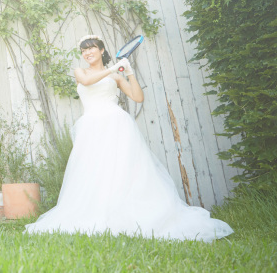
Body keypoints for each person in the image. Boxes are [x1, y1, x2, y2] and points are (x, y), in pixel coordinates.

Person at [25, 34, 233, 242]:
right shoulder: (81, 72)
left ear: (102, 50)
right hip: (90, 127)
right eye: (83, 50)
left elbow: (137, 97)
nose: (87, 53)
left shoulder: (116, 76)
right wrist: (113, 69)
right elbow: (87, 81)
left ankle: (125, 215)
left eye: (91, 48)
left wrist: (129, 73)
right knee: (93, 170)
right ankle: (97, 213)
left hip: (115, 124)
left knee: (122, 170)